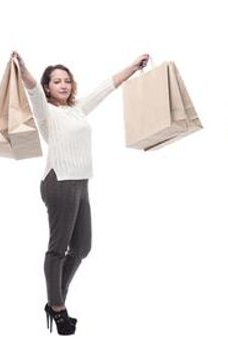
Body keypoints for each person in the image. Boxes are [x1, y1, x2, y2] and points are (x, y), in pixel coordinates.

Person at [8, 51, 148, 336]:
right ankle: (57, 307)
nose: (63, 85)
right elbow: (32, 88)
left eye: (67, 81)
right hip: (59, 182)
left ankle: (56, 296)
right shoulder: (46, 111)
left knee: (82, 247)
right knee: (58, 248)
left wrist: (134, 66)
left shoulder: (77, 109)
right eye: (56, 81)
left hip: (81, 183)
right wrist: (23, 67)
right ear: (49, 87)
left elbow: (106, 87)